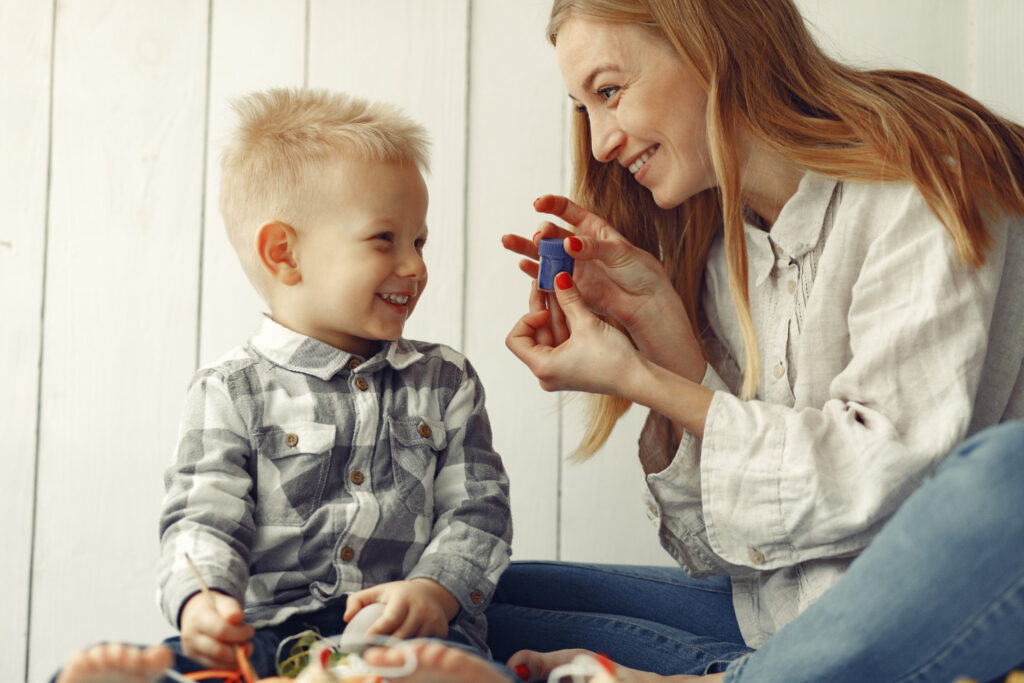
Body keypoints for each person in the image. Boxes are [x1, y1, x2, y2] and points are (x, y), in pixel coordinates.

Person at [486, 0, 1024, 682]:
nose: (598, 144)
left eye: (610, 92)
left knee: (1014, 474)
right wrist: (661, 329)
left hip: (922, 615)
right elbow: (732, 553)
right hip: (787, 630)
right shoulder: (724, 252)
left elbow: (878, 473)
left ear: (712, 44)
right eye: (583, 109)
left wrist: (642, 379)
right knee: (482, 596)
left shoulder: (923, 179)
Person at [55, 87, 513, 683]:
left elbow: (479, 510)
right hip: (266, 634)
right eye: (385, 239)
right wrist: (204, 602)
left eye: (420, 240)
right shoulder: (231, 390)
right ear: (284, 254)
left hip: (400, 635)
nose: (416, 265)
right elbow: (202, 517)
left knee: (440, 667)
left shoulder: (444, 380)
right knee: (197, 662)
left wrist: (434, 591)